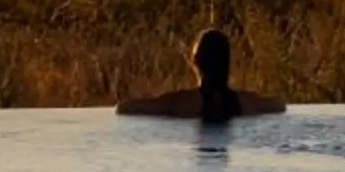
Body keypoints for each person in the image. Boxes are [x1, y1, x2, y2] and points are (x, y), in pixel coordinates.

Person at [115, 27, 286, 121]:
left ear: (194, 62)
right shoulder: (248, 102)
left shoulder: (180, 102)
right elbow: (280, 105)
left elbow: (122, 109)